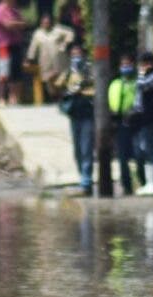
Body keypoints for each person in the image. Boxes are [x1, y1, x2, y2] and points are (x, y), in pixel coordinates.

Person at [129, 51, 153, 196]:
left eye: (143, 64)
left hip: (152, 118)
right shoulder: (150, 76)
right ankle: (149, 182)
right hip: (144, 118)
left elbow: (143, 86)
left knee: (150, 147)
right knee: (145, 147)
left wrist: (140, 75)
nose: (141, 67)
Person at [57, 43, 94, 195]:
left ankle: (86, 182)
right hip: (74, 114)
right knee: (78, 150)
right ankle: (83, 178)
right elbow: (57, 86)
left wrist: (81, 90)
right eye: (73, 54)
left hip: (88, 113)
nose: (76, 57)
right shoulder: (68, 72)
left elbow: (95, 88)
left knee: (86, 149)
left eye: (78, 54)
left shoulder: (90, 70)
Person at [108, 53, 144, 195]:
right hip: (121, 123)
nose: (126, 67)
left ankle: (143, 182)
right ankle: (127, 186)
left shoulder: (137, 83)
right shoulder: (115, 84)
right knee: (123, 157)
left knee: (139, 154)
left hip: (136, 122)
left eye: (128, 64)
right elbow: (112, 104)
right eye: (123, 65)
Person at [25, 14, 73, 100]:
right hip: (46, 62)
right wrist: (29, 59)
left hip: (59, 61)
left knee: (61, 81)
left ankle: (63, 98)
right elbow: (33, 47)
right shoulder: (38, 33)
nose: (46, 24)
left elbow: (70, 33)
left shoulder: (58, 29)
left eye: (48, 22)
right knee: (49, 83)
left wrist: (64, 44)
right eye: (44, 23)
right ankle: (54, 98)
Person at [0, 0, 26, 105]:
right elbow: (7, 25)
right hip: (4, 46)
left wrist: (16, 24)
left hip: (16, 45)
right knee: (4, 72)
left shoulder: (15, 11)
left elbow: (24, 24)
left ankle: (14, 97)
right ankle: (2, 98)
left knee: (16, 72)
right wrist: (18, 24)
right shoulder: (0, 10)